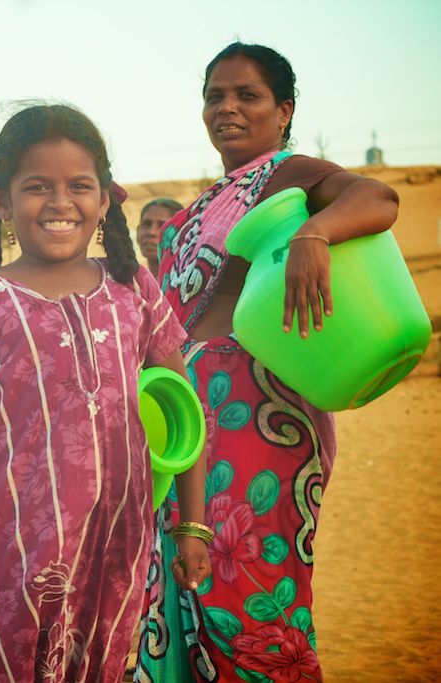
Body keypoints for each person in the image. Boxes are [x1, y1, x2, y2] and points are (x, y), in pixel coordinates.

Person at [135, 43, 399, 682]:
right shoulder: (197, 208)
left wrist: (315, 232)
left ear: (283, 111)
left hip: (259, 411)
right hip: (182, 418)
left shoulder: (291, 174)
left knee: (248, 585)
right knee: (173, 583)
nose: (226, 107)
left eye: (246, 95)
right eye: (214, 95)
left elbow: (378, 197)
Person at [0, 104, 212, 682]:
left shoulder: (133, 289)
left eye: (79, 186)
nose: (60, 203)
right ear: (1, 201)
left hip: (123, 549)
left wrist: (192, 524)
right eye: (37, 187)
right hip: (18, 561)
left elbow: (185, 412)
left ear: (105, 200)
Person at [136, 198, 183, 276]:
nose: (151, 232)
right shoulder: (132, 284)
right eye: (146, 224)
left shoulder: (187, 285)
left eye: (162, 226)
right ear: (138, 232)